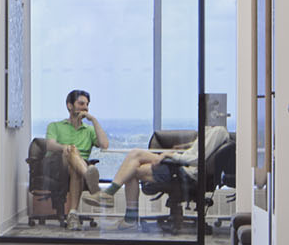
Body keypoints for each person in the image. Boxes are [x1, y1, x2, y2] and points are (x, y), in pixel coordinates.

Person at [103, 96, 232, 227]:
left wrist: (170, 155)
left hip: (185, 171)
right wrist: (181, 149)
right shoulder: (210, 130)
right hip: (183, 166)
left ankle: (118, 205)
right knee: (134, 161)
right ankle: (121, 208)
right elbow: (196, 151)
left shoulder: (218, 131)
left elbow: (196, 159)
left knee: (133, 165)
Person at [45, 89, 106, 229]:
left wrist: (94, 121)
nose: (85, 107)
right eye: (81, 103)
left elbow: (104, 144)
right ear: (69, 105)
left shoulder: (88, 130)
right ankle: (92, 184)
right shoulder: (55, 125)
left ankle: (73, 215)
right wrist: (64, 147)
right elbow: (50, 144)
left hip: (78, 166)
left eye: (87, 105)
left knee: (75, 167)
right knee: (72, 150)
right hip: (57, 163)